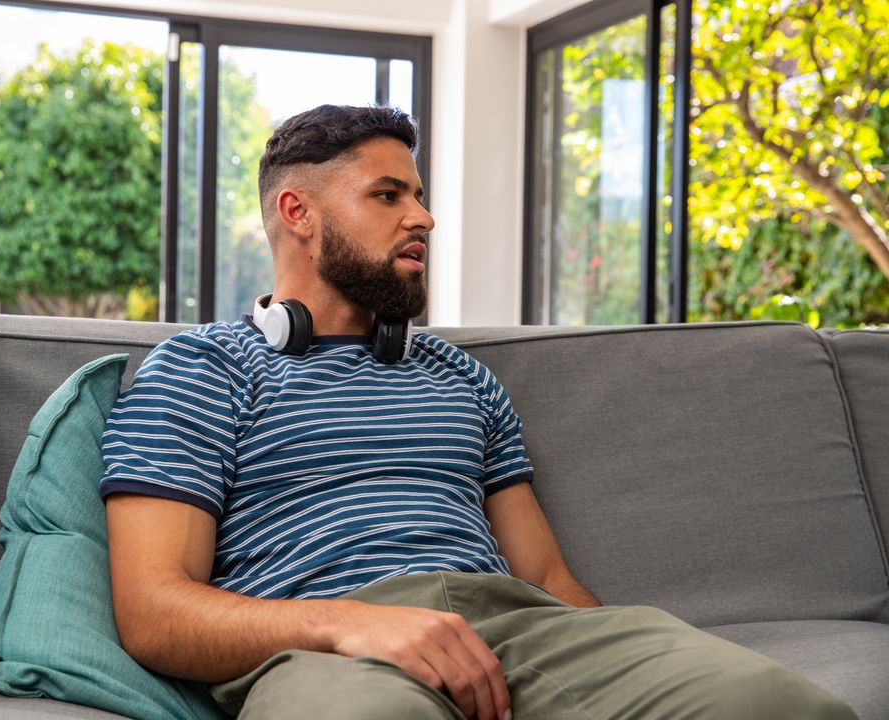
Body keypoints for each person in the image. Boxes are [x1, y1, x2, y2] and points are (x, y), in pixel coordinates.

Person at [99, 104, 855, 720]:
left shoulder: (461, 375)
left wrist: (609, 665)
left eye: (419, 196)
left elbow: (548, 578)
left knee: (779, 704)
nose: (423, 218)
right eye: (388, 196)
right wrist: (344, 623)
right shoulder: (201, 368)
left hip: (516, 629)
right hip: (329, 650)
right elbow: (154, 611)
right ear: (297, 211)